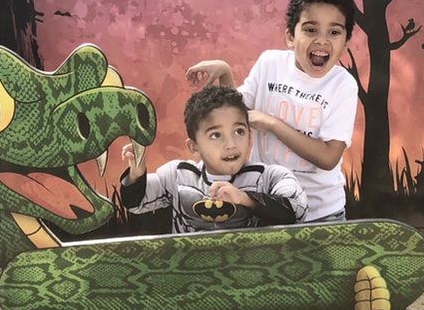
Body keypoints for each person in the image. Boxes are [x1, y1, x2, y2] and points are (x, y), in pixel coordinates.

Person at [186, 0, 358, 223]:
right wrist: (225, 71)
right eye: (310, 29)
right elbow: (238, 113)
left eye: (334, 32)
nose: (322, 40)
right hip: (268, 206)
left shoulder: (342, 85)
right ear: (290, 36)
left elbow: (329, 157)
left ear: (345, 42)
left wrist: (272, 124)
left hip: (321, 213)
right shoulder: (270, 63)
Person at [119, 85, 308, 233]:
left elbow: (297, 211)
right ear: (194, 146)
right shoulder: (177, 175)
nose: (231, 144)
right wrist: (137, 174)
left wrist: (246, 199)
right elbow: (137, 203)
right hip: (191, 274)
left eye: (239, 131)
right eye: (216, 135)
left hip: (249, 274)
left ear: (250, 135)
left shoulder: (269, 177)